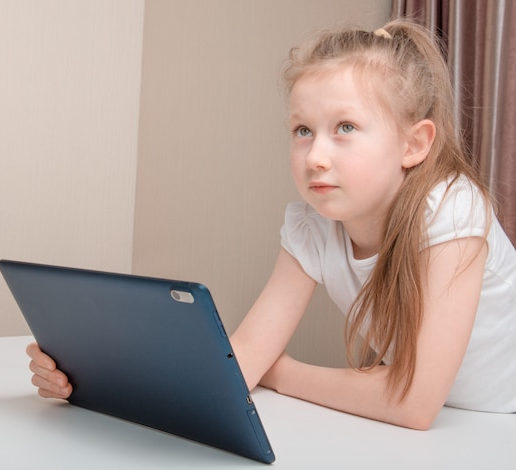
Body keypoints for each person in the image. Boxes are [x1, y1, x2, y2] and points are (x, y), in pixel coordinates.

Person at [26, 19, 516, 430]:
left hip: (499, 421)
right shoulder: (312, 224)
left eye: (345, 128)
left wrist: (278, 372)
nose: (316, 157)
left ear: (414, 144)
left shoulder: (451, 208)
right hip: (445, 433)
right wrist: (89, 379)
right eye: (303, 130)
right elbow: (241, 360)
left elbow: (414, 402)